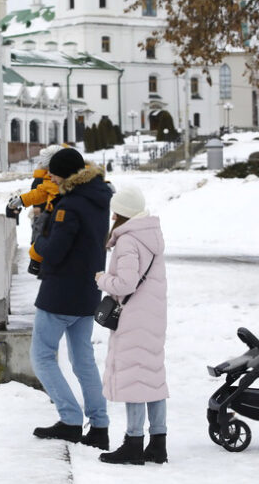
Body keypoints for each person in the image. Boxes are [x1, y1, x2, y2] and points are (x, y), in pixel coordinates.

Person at [30, 148, 112, 450]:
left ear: (64, 174)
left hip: (61, 292)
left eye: (52, 172)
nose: (48, 176)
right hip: (88, 290)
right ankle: (99, 425)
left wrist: (40, 236)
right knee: (82, 359)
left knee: (41, 356)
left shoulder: (71, 205)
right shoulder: (98, 196)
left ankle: (70, 420)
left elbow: (55, 250)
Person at [94, 184, 169, 465]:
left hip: (134, 317)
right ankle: (158, 444)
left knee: (135, 378)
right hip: (153, 315)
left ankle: (133, 443)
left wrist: (102, 279)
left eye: (116, 214)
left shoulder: (128, 241)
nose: (113, 219)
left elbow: (125, 284)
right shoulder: (151, 236)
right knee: (152, 376)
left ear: (124, 214)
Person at [6, 144, 63, 273]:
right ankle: (37, 263)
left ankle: (37, 263)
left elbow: (40, 192)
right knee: (40, 238)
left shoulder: (55, 181)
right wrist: (22, 200)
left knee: (43, 238)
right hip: (50, 215)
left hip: (54, 217)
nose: (50, 175)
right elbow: (39, 192)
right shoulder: (48, 180)